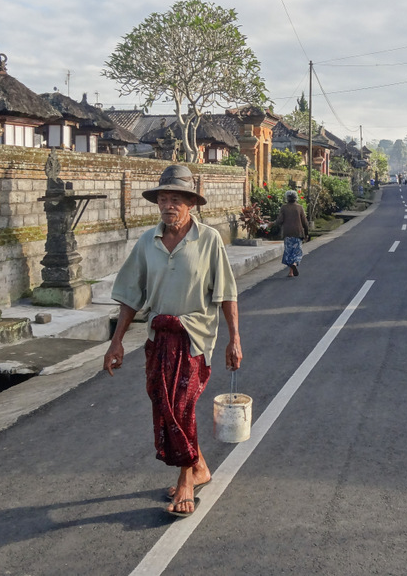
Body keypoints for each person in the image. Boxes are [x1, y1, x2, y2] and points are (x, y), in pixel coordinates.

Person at [103, 164, 242, 518]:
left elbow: (226, 294)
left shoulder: (208, 240)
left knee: (182, 405)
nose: (169, 206)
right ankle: (199, 467)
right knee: (164, 405)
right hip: (158, 338)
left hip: (195, 337)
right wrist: (116, 342)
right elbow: (130, 296)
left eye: (176, 199)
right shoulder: (147, 243)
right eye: (163, 199)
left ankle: (185, 481)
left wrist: (234, 340)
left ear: (191, 204)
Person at [275, 189, 309, 277]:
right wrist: (307, 233)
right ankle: (294, 264)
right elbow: (305, 222)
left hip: (287, 233)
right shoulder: (299, 207)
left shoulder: (284, 208)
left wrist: (273, 224)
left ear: (287, 198)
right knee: (297, 251)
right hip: (298, 233)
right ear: (296, 198)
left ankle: (291, 272)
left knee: (289, 252)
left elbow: (280, 220)